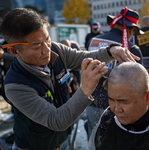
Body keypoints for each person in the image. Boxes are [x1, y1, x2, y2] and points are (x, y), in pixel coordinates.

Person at [0, 8, 138, 150]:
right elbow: (56, 120)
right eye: (37, 46)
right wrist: (86, 89)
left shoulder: (56, 50)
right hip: (36, 145)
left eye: (47, 39)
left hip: (62, 140)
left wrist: (110, 51)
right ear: (14, 51)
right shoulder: (15, 85)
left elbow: (82, 58)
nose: (47, 49)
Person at [86, 7, 143, 139]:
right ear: (130, 29)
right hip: (117, 107)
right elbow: (138, 84)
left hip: (90, 101)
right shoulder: (132, 50)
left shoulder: (92, 42)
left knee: (94, 142)